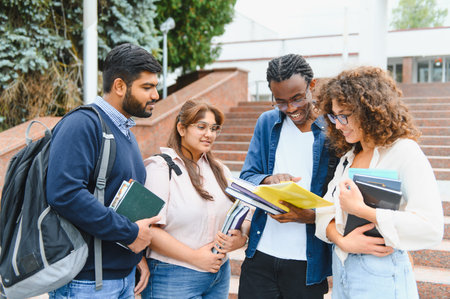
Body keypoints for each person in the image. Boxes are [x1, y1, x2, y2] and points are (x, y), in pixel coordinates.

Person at [315, 66, 444, 298]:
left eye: (344, 115)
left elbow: (432, 227)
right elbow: (324, 213)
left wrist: (362, 210)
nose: (337, 124)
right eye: (334, 116)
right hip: (343, 268)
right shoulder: (349, 157)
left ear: (368, 111)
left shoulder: (404, 152)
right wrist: (343, 242)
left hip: (381, 272)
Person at [46, 43, 162, 298]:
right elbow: (64, 193)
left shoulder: (124, 131)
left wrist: (135, 254)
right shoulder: (83, 124)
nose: (155, 95)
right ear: (120, 86)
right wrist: (130, 233)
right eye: (147, 87)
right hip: (86, 283)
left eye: (155, 86)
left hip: (122, 278)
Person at [238, 54, 335, 299]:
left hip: (307, 263)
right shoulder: (267, 122)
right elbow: (247, 176)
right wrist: (268, 180)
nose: (291, 108)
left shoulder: (334, 130)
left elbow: (342, 196)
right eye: (280, 101)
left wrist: (310, 216)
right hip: (260, 256)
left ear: (312, 86)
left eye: (297, 98)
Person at [141, 99, 250, 299]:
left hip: (218, 273)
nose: (209, 134)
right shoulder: (160, 168)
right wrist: (195, 258)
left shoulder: (220, 170)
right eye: (201, 127)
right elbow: (148, 229)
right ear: (181, 128)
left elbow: (242, 214)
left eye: (214, 128)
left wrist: (239, 239)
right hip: (173, 275)